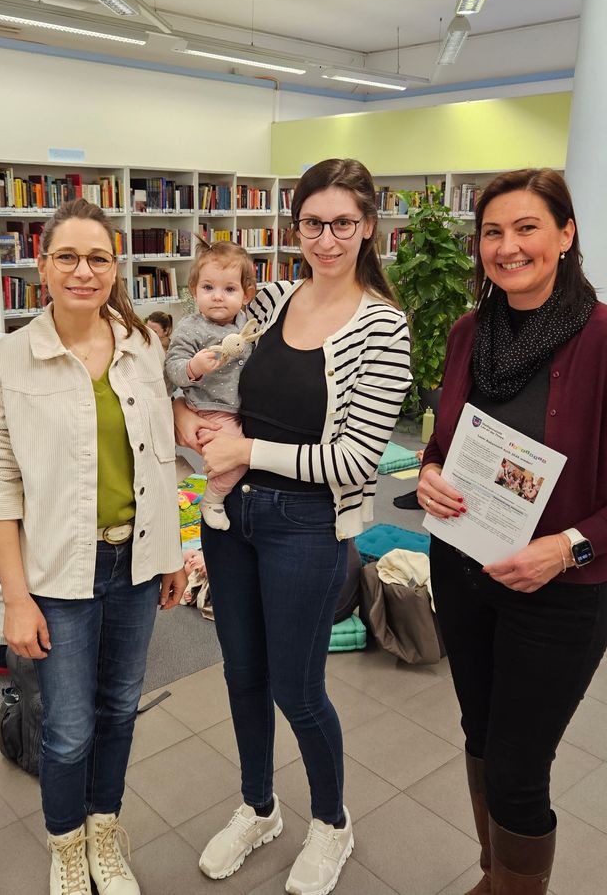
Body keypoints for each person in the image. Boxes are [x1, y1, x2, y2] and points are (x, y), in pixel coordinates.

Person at [417, 168, 607, 894]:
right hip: (464, 573)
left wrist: (569, 545)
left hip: (560, 595)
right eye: (492, 232)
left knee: (517, 770)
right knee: (480, 739)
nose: (507, 247)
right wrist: (427, 473)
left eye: (527, 227)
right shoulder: (466, 334)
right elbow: (445, 440)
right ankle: (494, 877)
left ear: (566, 235)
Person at [175, 158, 411, 895]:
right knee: (242, 674)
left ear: (368, 226)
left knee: (298, 689)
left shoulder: (384, 326)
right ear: (295, 227)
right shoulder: (270, 297)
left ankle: (332, 822)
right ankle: (259, 807)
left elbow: (354, 459)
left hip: (307, 523)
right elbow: (209, 374)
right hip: (230, 512)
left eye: (344, 223)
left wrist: (247, 450)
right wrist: (188, 418)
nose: (328, 238)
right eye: (314, 223)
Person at [0, 197, 187, 895]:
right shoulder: (6, 364)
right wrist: (16, 599)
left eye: (97, 258)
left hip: (137, 564)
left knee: (120, 708)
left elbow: (162, 460)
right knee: (65, 727)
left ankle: (103, 831)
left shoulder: (144, 348)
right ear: (42, 265)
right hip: (58, 575)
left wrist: (175, 553)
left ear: (115, 268)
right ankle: (65, 844)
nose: (83, 271)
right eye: (68, 256)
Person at [163, 239, 258, 530]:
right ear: (194, 291)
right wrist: (194, 367)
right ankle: (212, 498)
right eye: (208, 288)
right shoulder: (191, 327)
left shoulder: (247, 323)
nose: (217, 297)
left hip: (239, 407)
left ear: (246, 295)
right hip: (208, 407)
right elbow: (172, 368)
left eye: (229, 289)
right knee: (238, 457)